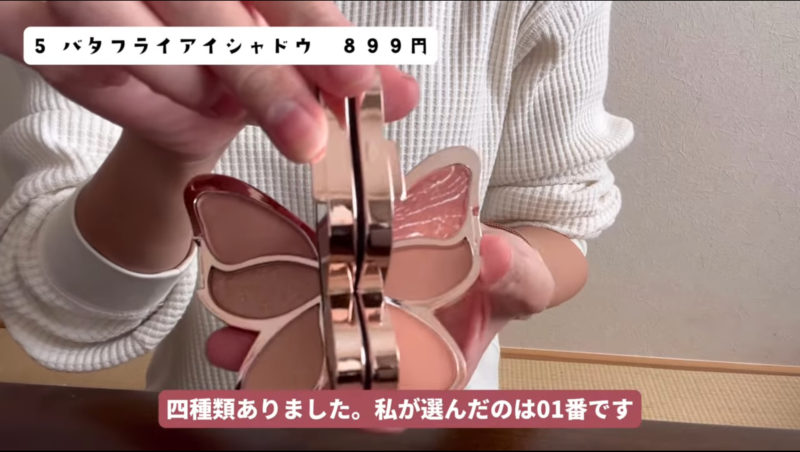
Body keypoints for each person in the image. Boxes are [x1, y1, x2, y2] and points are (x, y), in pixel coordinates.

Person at [0, 1, 633, 391]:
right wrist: (172, 152)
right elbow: (60, 308)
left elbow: (560, 210)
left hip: (441, 416)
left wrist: (517, 273)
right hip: (214, 422)